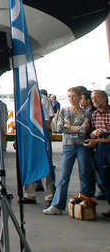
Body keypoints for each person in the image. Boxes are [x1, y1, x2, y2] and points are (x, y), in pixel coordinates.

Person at [43, 86, 93, 215]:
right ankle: (57, 205)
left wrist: (70, 127)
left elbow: (84, 129)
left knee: (84, 174)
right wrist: (76, 128)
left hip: (82, 145)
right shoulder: (64, 111)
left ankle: (84, 204)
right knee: (64, 176)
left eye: (73, 96)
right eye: (69, 96)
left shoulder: (86, 113)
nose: (71, 99)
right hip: (68, 145)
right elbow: (58, 128)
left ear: (79, 97)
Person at [22, 88, 56, 205]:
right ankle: (29, 194)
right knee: (28, 164)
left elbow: (47, 121)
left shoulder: (42, 99)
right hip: (27, 135)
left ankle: (49, 195)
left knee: (43, 163)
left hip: (39, 134)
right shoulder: (22, 99)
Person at [84, 89, 110, 217]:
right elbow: (92, 131)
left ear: (105, 98)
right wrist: (94, 135)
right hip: (100, 148)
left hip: (107, 145)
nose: (94, 100)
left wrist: (98, 139)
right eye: (93, 98)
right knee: (104, 178)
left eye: (97, 97)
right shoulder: (94, 115)